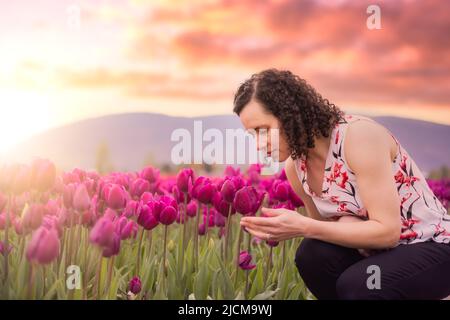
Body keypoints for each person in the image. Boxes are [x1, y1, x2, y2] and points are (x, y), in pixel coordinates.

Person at [235, 68, 450, 300]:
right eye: (252, 135)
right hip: (379, 253)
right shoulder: (296, 168)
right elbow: (326, 236)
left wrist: (303, 226)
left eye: (263, 130)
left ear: (290, 114)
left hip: (432, 245)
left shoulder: (359, 137)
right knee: (312, 254)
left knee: (362, 284)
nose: (259, 144)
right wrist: (298, 228)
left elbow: (388, 232)